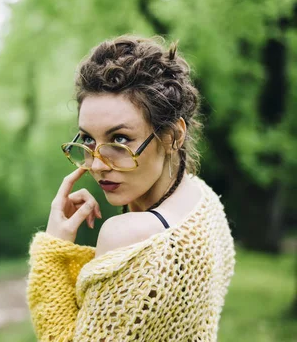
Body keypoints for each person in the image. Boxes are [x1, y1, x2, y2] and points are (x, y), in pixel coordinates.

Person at [26, 35, 236, 341]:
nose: (96, 165)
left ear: (173, 136)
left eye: (120, 139)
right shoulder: (203, 200)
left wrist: (54, 252)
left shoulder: (126, 236)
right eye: (87, 139)